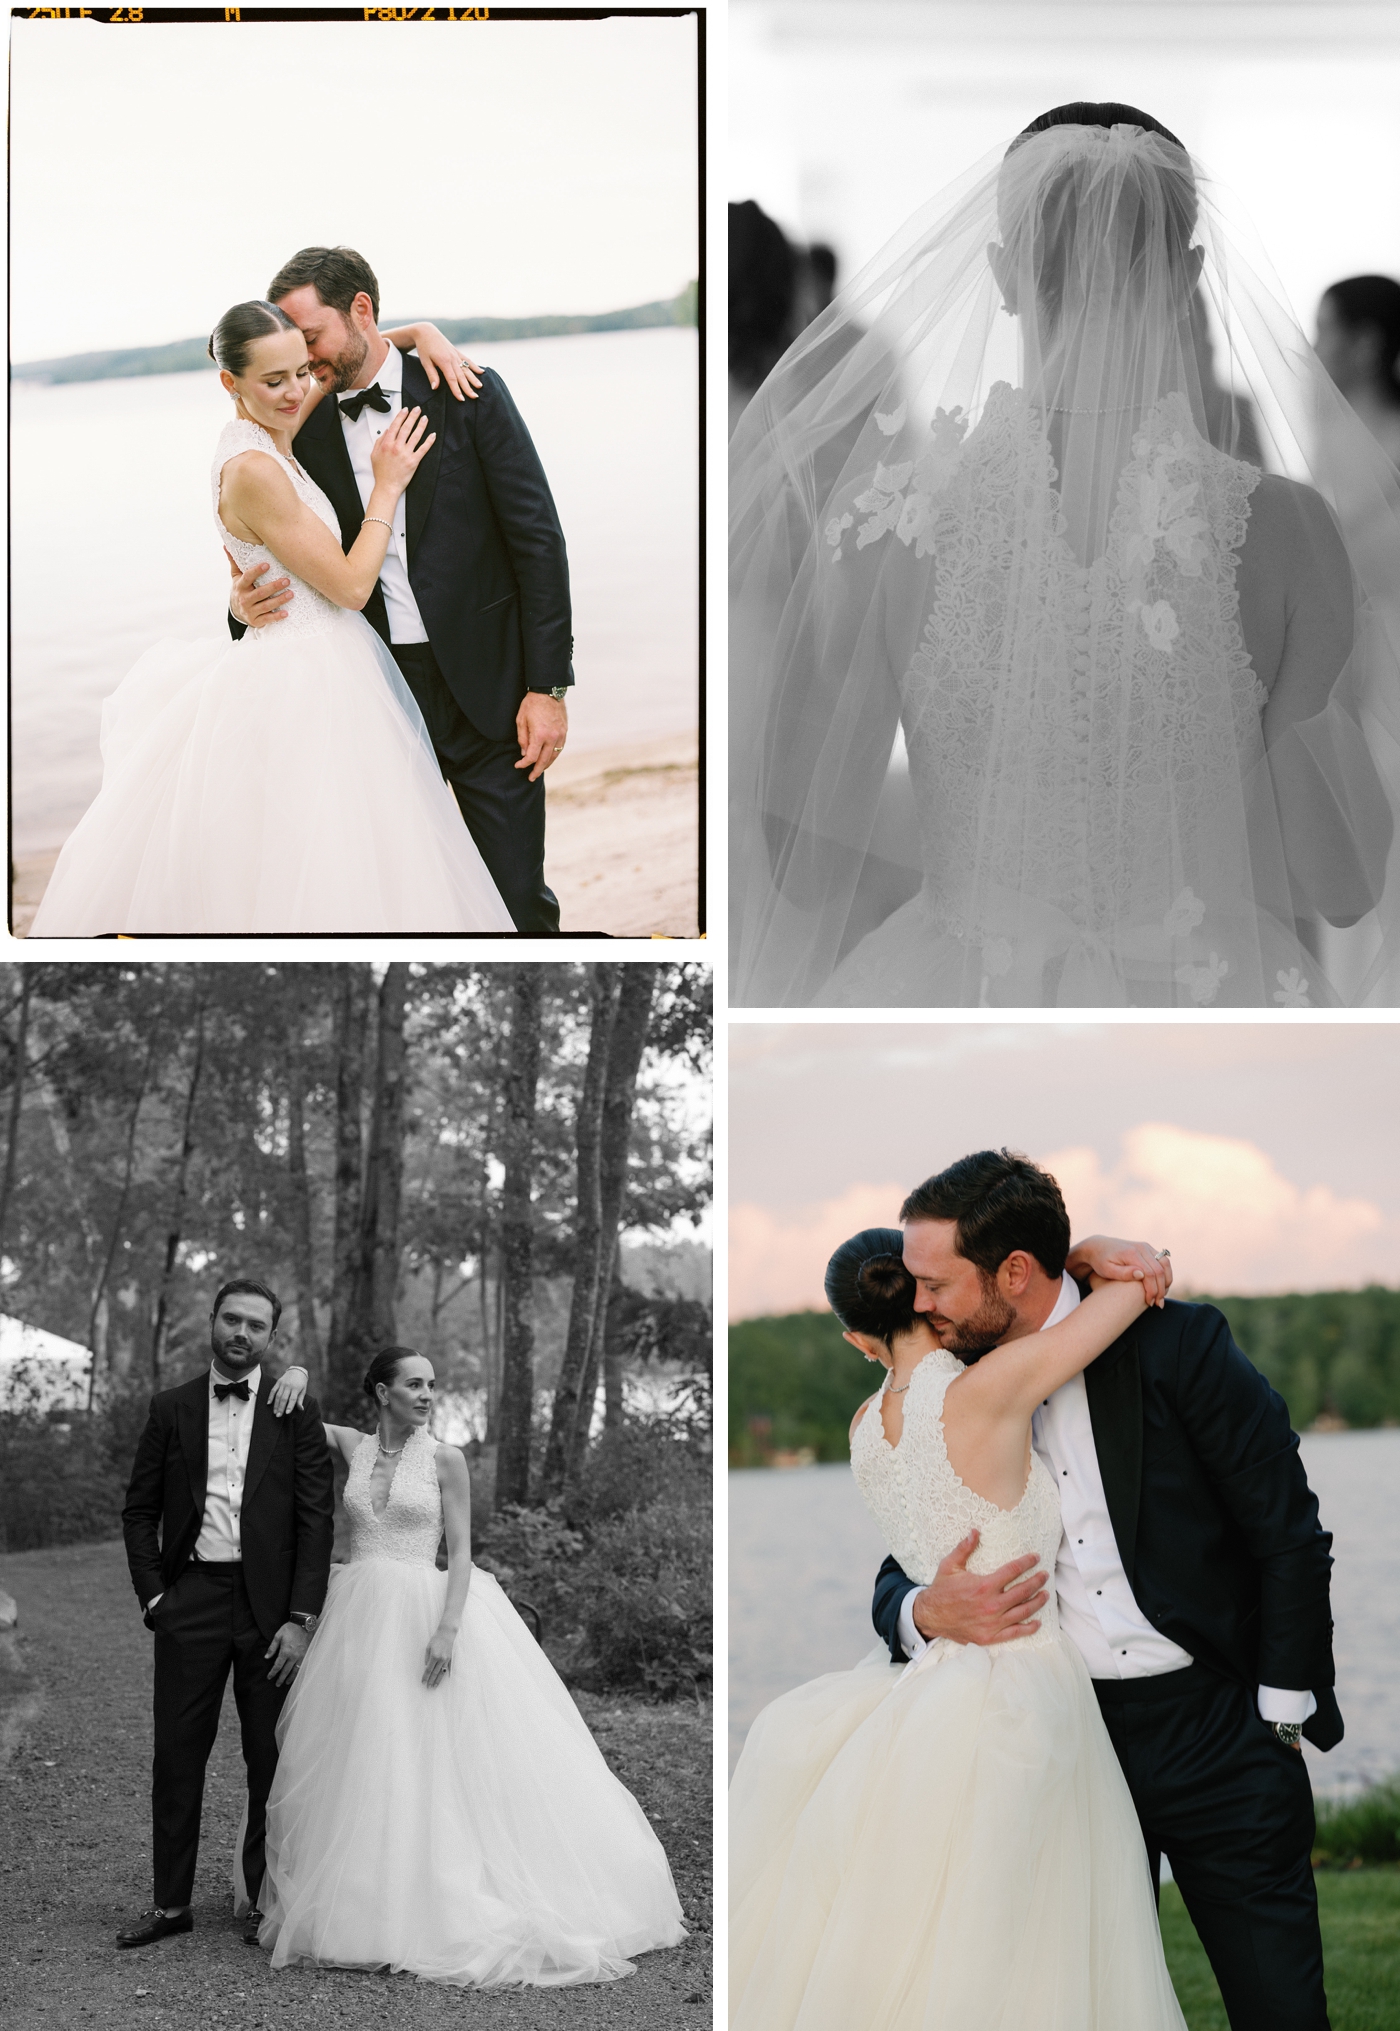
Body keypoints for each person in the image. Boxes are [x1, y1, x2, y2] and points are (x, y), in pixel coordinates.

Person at [731, 103, 1400, 1006]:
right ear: (1186, 276)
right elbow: (1346, 885)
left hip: (952, 988)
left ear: (1004, 274)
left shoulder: (889, 521)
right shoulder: (1287, 529)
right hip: (1208, 989)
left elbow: (804, 866)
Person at [867, 1151, 1337, 2031]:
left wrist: (1277, 1713)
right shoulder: (939, 1384)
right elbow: (905, 1547)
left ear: (1013, 1271)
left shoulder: (1180, 1344)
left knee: (1279, 2006)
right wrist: (920, 1609)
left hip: (1217, 1729)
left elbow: (1288, 1531)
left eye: (935, 1283)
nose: (919, 1303)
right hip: (1058, 1736)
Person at [731, 1212, 1189, 2028]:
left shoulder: (863, 1428)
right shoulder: (993, 1384)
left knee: (932, 1928)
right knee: (1035, 1928)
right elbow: (1125, 1297)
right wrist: (1112, 1253)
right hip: (1024, 1683)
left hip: (923, 1691)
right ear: (926, 1289)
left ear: (854, 1337)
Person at [30, 299, 516, 936]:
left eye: (299, 373)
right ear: (229, 382)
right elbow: (347, 585)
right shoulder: (256, 467)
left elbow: (336, 364)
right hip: (304, 681)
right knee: (326, 859)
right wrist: (387, 487)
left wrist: (419, 331)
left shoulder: (271, 429)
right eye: (274, 380)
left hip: (329, 666)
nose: (296, 391)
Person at [241, 1348, 686, 1986]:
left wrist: (447, 1629)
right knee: (365, 1748)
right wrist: (299, 1371)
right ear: (381, 1392)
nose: (426, 1395)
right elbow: (292, 1411)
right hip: (359, 1613)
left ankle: (443, 1889)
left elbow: (463, 1553)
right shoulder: (351, 1445)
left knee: (432, 1750)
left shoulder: (447, 1460)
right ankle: (364, 1897)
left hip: (425, 1608)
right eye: (413, 1385)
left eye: (431, 1385)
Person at [231, 246, 574, 936]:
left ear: (361, 310)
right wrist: (240, 608)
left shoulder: (468, 389)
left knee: (517, 902)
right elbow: (276, 543)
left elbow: (538, 542)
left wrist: (549, 687)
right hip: (374, 700)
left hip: (493, 696)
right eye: (293, 349)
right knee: (405, 906)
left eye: (312, 338)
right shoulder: (298, 425)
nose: (305, 364)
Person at [117, 1281, 328, 1950]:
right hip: (192, 1601)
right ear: (212, 1321)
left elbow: (315, 1519)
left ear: (271, 1336)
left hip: (271, 1612)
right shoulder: (170, 1406)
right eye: (232, 1318)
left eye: (256, 1324)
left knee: (271, 1756)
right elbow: (138, 1510)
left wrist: (301, 1618)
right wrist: (156, 1598)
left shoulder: (294, 1407)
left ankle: (267, 1902)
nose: (241, 1331)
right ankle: (170, 1903)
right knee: (177, 1753)